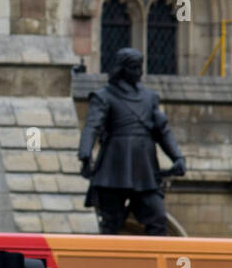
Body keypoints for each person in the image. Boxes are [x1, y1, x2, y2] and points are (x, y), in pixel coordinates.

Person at [77, 47, 187, 234]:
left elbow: (162, 131)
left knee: (158, 217)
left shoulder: (149, 97)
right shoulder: (104, 96)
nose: (139, 72)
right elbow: (92, 127)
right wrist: (85, 154)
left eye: (140, 67)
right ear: (121, 69)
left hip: (145, 167)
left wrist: (178, 157)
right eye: (133, 67)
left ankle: (154, 261)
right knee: (111, 223)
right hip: (114, 166)